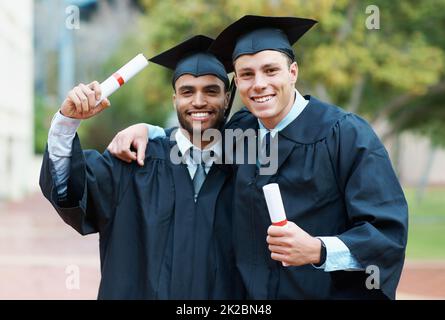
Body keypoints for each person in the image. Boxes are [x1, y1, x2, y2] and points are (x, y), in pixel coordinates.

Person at [107, 15, 408, 299]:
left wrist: (318, 250)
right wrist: (149, 130)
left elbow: (387, 234)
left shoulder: (343, 134)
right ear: (237, 82)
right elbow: (195, 139)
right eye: (247, 74)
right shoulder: (241, 131)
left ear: (293, 72)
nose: (259, 84)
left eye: (270, 70)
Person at [39, 35, 244, 299]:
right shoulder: (133, 162)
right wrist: (66, 123)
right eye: (187, 91)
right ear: (174, 100)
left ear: (227, 99)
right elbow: (68, 190)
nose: (199, 101)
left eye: (211, 91)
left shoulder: (243, 168)